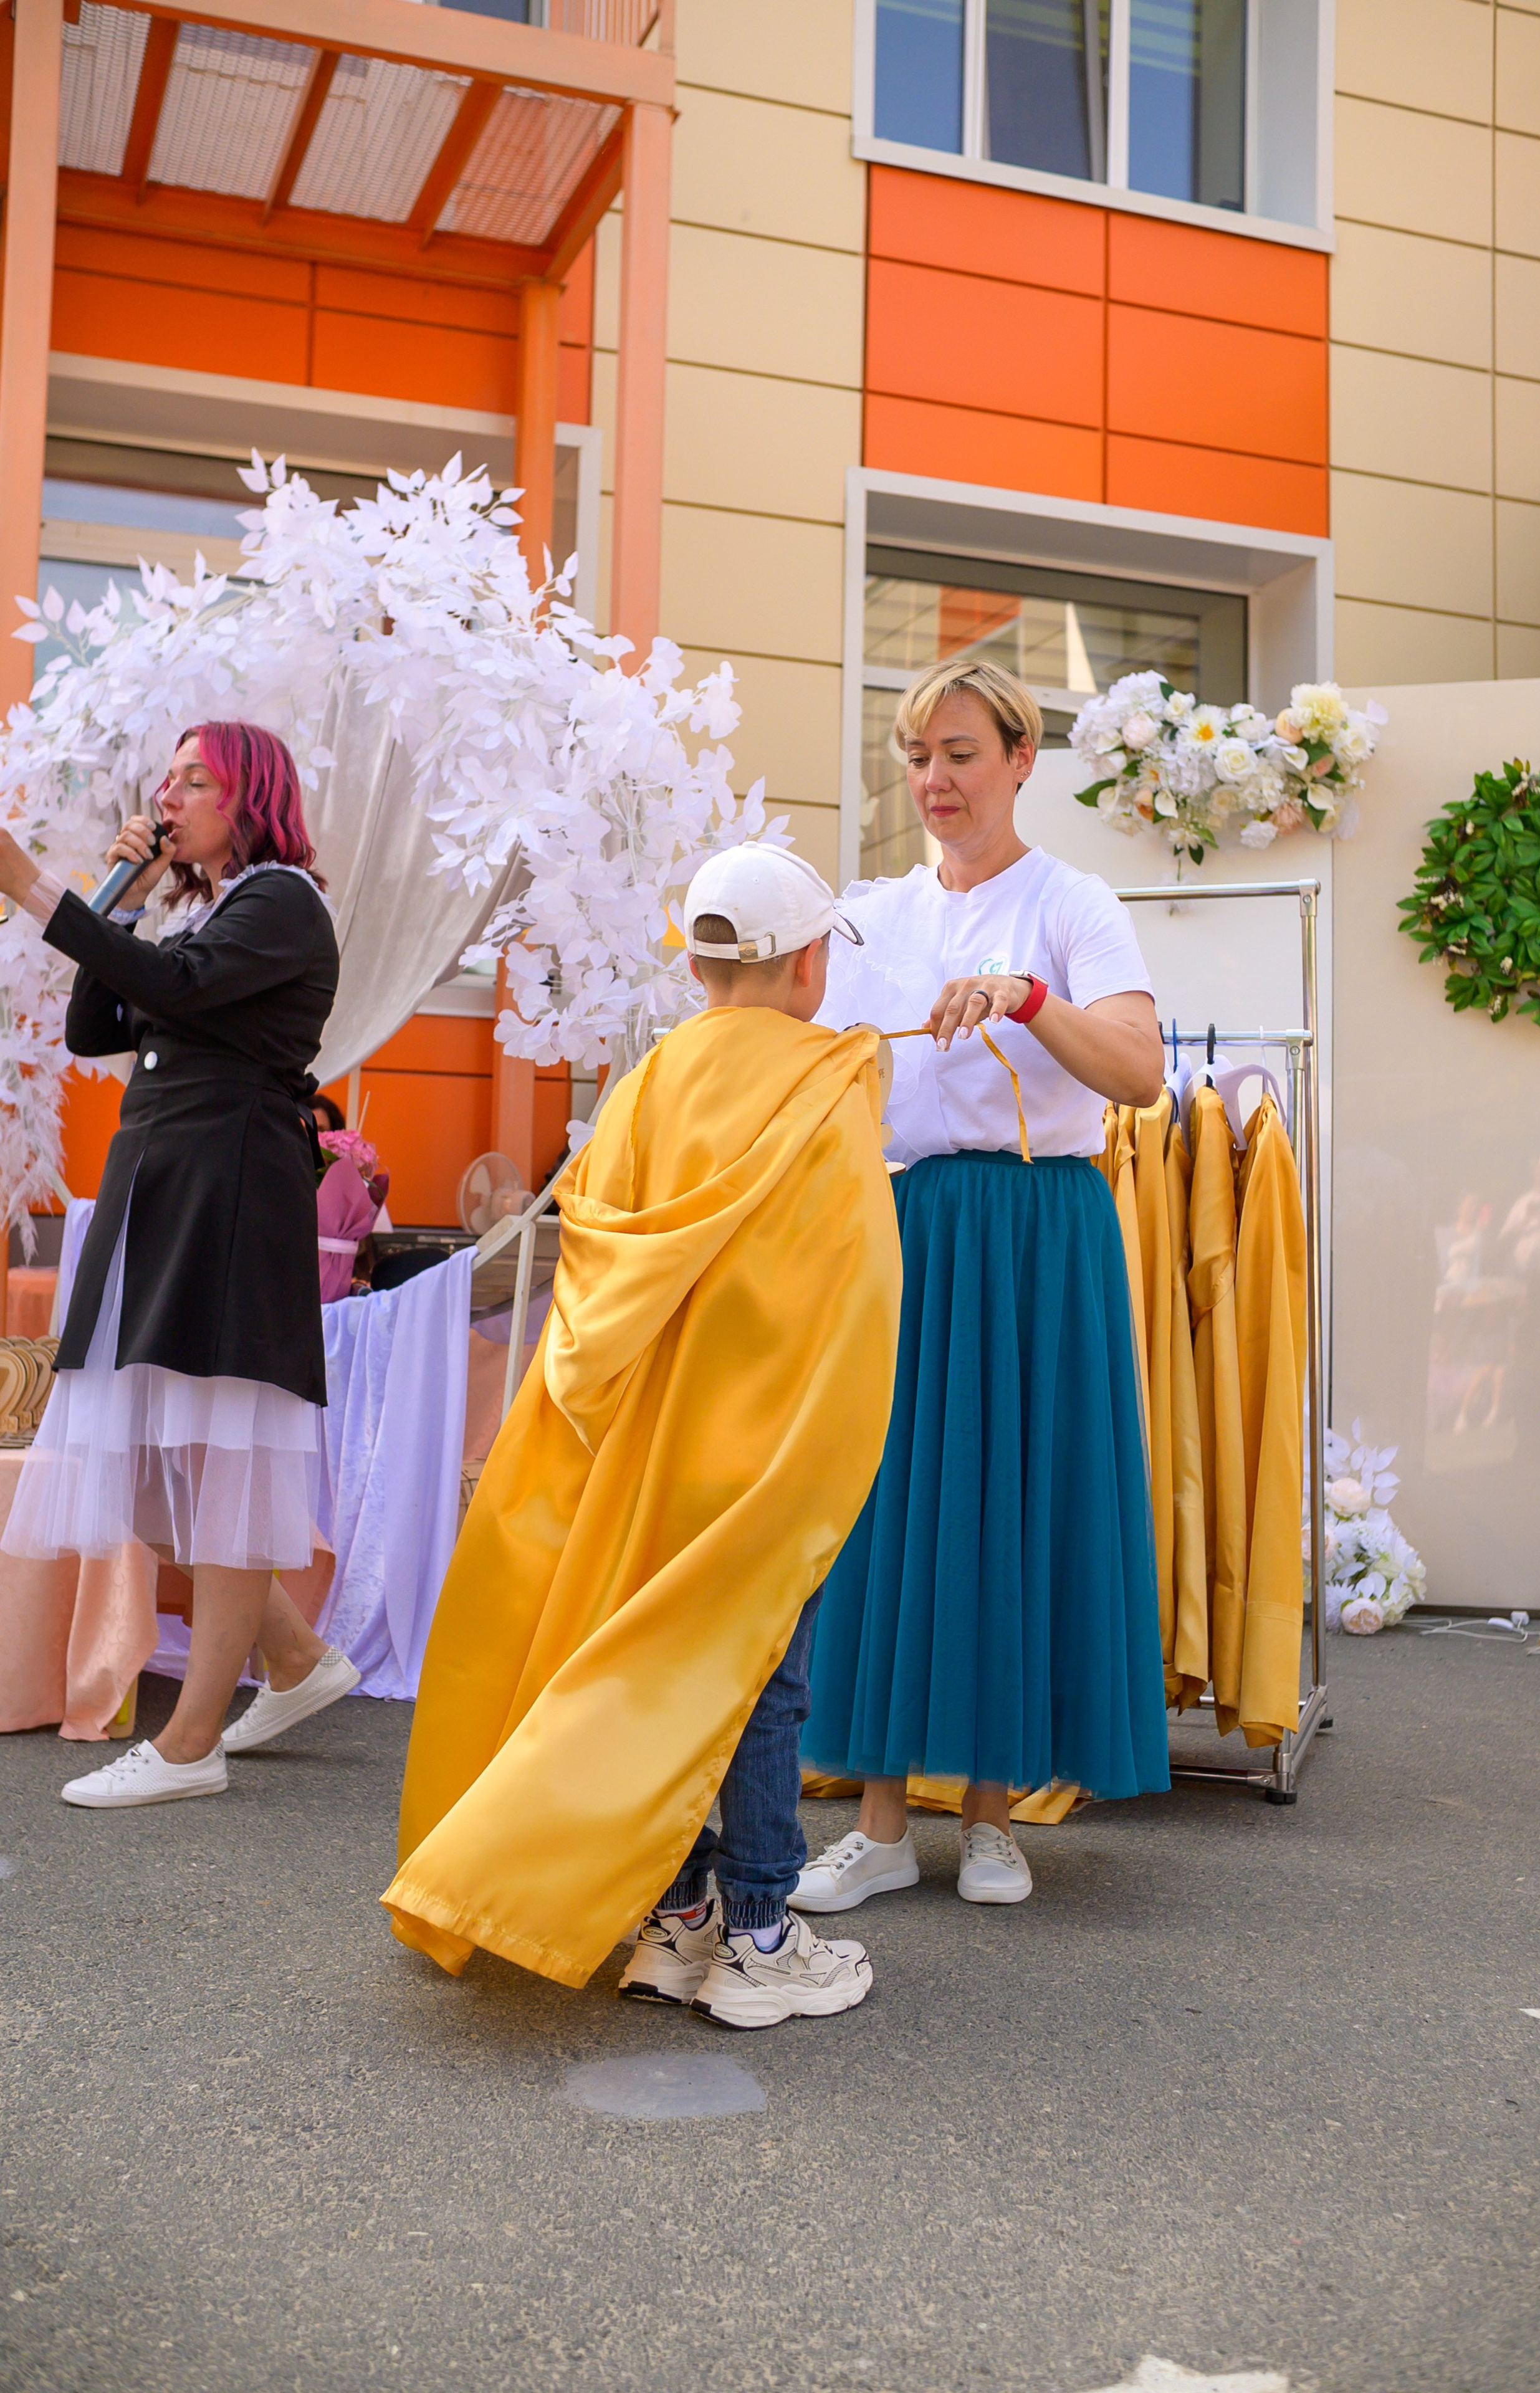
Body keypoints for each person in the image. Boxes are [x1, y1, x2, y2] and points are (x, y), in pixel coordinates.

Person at [383, 846, 902, 2028]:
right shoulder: (825, 1090)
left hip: (644, 1444)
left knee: (649, 1672)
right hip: (768, 1445)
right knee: (762, 1675)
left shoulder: (645, 1082)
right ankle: (763, 1932)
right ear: (810, 963)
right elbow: (852, 1291)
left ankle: (677, 1923)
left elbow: (592, 1282)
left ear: (706, 962)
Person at [793, 657, 1170, 1914]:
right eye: (917, 757)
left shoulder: (1073, 902)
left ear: (1019, 760)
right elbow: (800, 1064)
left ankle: (996, 1817)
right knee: (891, 1511)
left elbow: (1136, 1072)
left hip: (1032, 1230)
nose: (934, 781)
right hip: (903, 1226)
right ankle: (885, 1821)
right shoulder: (867, 917)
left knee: (1016, 1502)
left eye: (960, 753)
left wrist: (1027, 996)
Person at [0, 721, 361, 1805]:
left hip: (227, 1193)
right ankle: (295, 1659)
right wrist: (119, 893)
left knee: (219, 1462)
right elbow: (93, 1026)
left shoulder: (283, 898)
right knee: (152, 1468)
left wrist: (32, 887)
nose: (170, 792)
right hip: (161, 1188)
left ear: (251, 794)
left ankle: (191, 1742)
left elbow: (180, 987)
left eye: (194, 777)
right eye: (167, 778)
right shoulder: (196, 908)